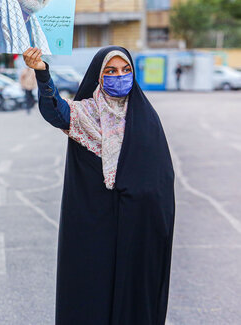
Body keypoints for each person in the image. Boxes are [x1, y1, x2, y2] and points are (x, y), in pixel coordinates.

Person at [23, 46, 175, 325]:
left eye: (125, 70)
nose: (120, 76)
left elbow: (161, 179)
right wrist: (42, 73)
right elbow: (55, 110)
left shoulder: (145, 118)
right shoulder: (84, 114)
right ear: (98, 75)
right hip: (95, 224)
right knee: (92, 292)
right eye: (111, 71)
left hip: (136, 226)